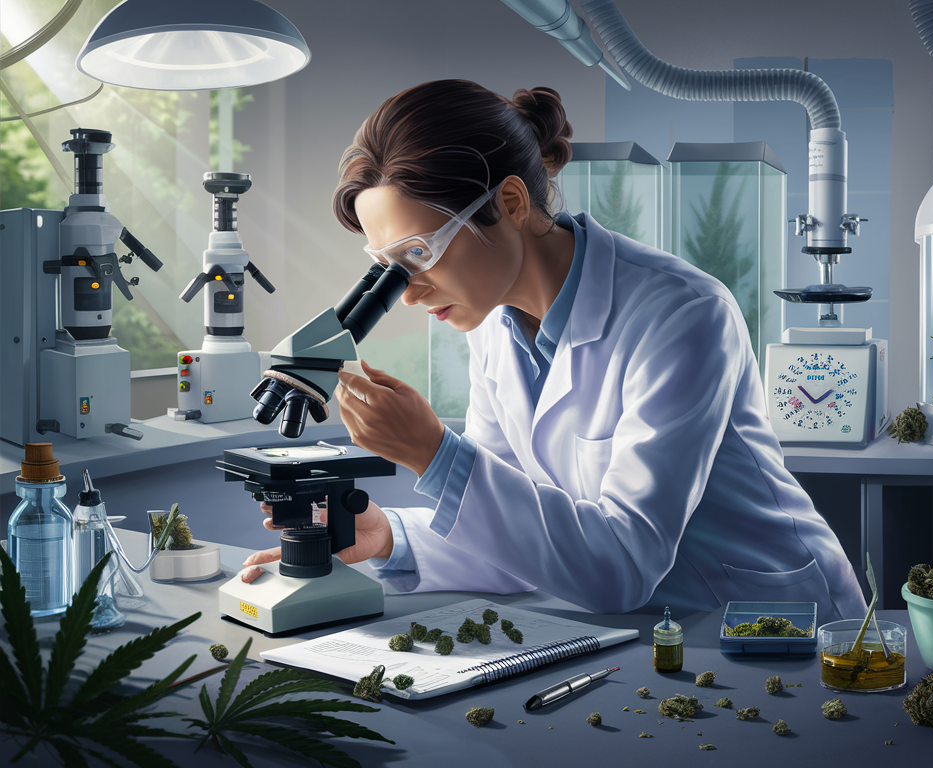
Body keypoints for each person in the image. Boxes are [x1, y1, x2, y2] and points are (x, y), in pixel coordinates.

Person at [241, 79, 866, 621]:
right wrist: (387, 537)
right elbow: (521, 537)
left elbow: (620, 566)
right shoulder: (491, 327)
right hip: (653, 630)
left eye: (418, 255)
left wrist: (432, 453)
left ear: (510, 203)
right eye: (387, 268)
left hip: (768, 620)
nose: (405, 294)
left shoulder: (680, 313)